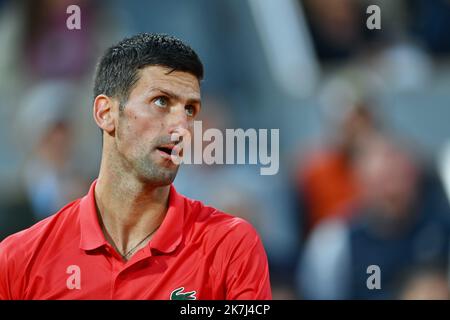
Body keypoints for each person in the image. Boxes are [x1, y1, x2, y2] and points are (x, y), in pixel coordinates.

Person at [0, 33, 272, 300]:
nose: (181, 128)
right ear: (106, 114)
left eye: (190, 110)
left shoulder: (231, 245)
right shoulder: (18, 259)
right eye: (161, 102)